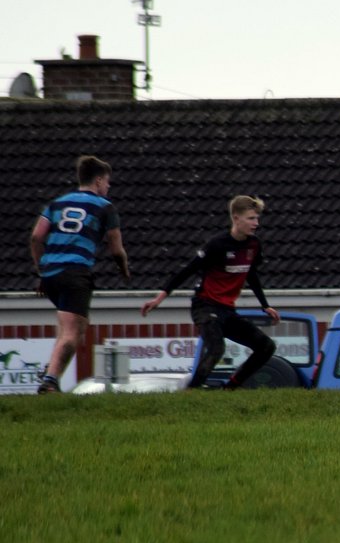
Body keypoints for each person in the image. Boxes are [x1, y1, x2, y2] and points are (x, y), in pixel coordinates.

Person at [141, 195, 281, 390]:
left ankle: (230, 388)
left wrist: (265, 305)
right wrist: (159, 298)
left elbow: (251, 273)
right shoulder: (217, 244)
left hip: (227, 310)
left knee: (266, 346)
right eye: (251, 218)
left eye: (257, 218)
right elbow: (188, 270)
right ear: (236, 218)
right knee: (217, 348)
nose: (256, 223)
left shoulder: (254, 245)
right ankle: (192, 392)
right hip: (205, 306)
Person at [29, 155, 131, 394]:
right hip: (75, 272)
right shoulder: (105, 207)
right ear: (98, 181)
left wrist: (41, 270)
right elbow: (116, 249)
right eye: (107, 182)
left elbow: (36, 237)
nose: (108, 187)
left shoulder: (57, 204)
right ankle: (50, 381)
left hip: (51, 274)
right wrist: (124, 269)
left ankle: (51, 370)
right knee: (74, 331)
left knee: (72, 326)